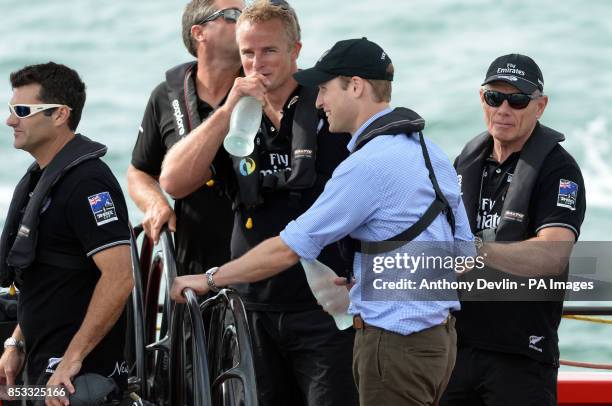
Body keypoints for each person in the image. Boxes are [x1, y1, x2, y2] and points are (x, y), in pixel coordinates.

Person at [171, 37, 475, 405]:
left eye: (326, 89)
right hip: (438, 343)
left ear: (357, 87)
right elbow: (462, 253)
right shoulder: (430, 151)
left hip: (393, 346)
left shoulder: (366, 165)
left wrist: (208, 279)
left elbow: (289, 248)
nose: (318, 101)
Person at [161, 1, 357, 404]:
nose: (257, 63)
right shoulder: (233, 116)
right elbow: (174, 182)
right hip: (253, 307)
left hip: (323, 306)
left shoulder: (329, 109)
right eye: (248, 53)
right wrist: (228, 109)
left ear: (295, 52)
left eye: (269, 51)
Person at [440, 54, 586, 405]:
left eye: (517, 99)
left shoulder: (559, 170)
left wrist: (475, 251)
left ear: (540, 106)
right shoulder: (467, 159)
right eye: (494, 97)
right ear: (482, 99)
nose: (503, 108)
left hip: (521, 355)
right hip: (457, 348)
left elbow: (553, 254)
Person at [0, 62, 134, 404]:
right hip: (40, 362)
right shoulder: (41, 179)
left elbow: (119, 277)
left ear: (60, 115)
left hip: (74, 375)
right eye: (11, 109)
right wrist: (16, 342)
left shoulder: (88, 183)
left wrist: (72, 359)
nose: (10, 120)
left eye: (22, 111)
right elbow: (42, 276)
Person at [128, 0, 243, 275]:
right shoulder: (165, 97)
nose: (243, 21)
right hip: (192, 267)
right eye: (231, 15)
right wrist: (155, 202)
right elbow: (139, 171)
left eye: (246, 14)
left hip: (257, 264)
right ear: (198, 33)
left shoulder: (263, 90)